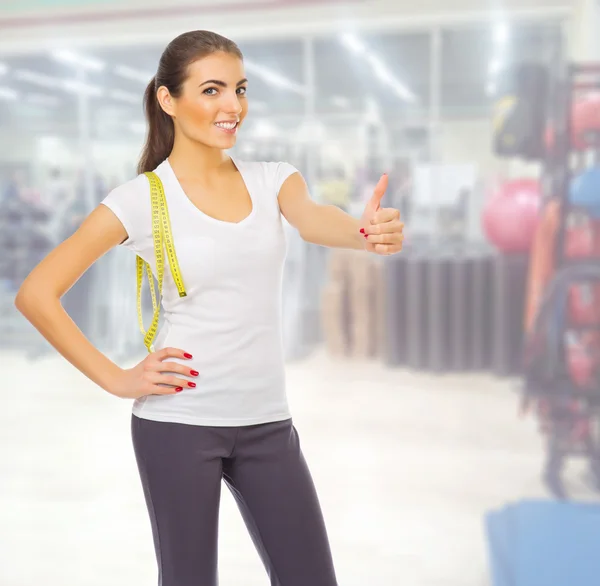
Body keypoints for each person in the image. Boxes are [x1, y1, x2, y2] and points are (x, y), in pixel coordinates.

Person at [14, 30, 404, 586]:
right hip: (178, 426)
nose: (232, 106)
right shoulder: (139, 199)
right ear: (168, 100)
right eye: (213, 89)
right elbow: (36, 293)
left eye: (240, 89)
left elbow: (317, 219)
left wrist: (365, 232)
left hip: (268, 423)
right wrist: (117, 379)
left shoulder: (274, 179)